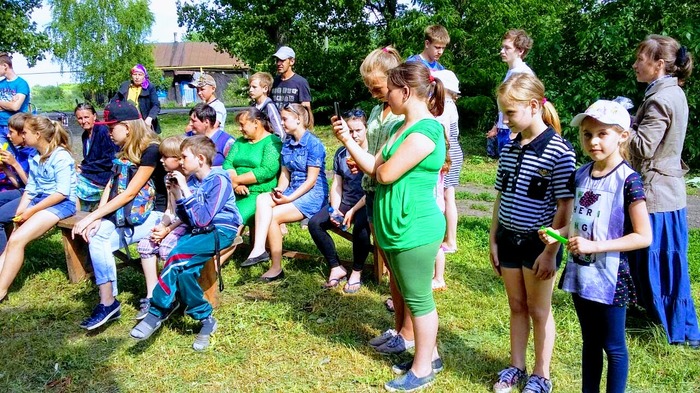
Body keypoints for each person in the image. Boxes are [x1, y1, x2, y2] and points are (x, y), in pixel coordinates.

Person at [338, 61, 446, 392]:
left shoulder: (427, 131)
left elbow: (384, 174)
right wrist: (347, 140)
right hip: (398, 227)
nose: (386, 95)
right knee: (413, 297)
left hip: (415, 227)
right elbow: (372, 164)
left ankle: (423, 368)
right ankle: (432, 357)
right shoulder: (402, 127)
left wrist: (358, 151)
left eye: (390, 89)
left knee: (419, 300)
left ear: (405, 91)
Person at [539, 100, 652, 393]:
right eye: (587, 134)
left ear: (622, 136)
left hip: (612, 278)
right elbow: (580, 222)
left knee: (612, 346)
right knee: (589, 342)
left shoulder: (630, 181)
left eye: (602, 134)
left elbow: (643, 236)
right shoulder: (580, 174)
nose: (594, 141)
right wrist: (559, 233)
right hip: (581, 274)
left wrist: (594, 247)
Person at [490, 73, 575, 393]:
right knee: (516, 305)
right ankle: (516, 365)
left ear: (534, 106)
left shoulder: (559, 151)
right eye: (503, 113)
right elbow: (500, 197)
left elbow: (565, 206)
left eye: (510, 113)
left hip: (538, 246)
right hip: (507, 241)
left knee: (539, 310)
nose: (505, 120)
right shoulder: (510, 148)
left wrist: (551, 251)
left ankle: (541, 375)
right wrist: (493, 238)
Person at [130, 135, 241, 351]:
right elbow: (189, 218)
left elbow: (203, 218)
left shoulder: (219, 179)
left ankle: (156, 312)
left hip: (221, 230)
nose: (180, 161)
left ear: (200, 158)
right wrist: (178, 193)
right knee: (184, 272)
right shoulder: (190, 180)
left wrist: (185, 191)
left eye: (184, 157)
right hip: (199, 232)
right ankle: (206, 320)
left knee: (177, 256)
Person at [334, 47, 410, 355]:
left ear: (394, 79)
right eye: (367, 85)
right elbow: (374, 152)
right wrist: (358, 159)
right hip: (373, 190)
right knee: (390, 266)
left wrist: (355, 149)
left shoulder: (403, 115)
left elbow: (388, 164)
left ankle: (408, 332)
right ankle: (399, 327)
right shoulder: (379, 110)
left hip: (389, 193)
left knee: (401, 271)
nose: (371, 90)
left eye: (375, 85)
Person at [628, 35, 700, 348]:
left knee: (658, 262)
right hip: (669, 191)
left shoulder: (659, 99)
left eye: (640, 59)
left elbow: (644, 147)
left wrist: (619, 125)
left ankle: (673, 328)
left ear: (659, 65)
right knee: (665, 262)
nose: (635, 64)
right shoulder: (673, 92)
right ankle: (666, 323)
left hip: (657, 193)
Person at [72, 100, 167, 331]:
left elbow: (130, 193)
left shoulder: (152, 150)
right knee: (98, 235)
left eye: (111, 126)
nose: (108, 132)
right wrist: (97, 217)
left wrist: (88, 218)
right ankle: (108, 302)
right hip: (129, 217)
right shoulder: (123, 149)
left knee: (99, 234)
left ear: (127, 126)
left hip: (156, 215)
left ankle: (153, 299)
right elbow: (110, 186)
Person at [241, 103, 327, 282]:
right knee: (263, 198)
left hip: (313, 194)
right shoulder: (287, 143)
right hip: (293, 189)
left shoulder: (314, 144)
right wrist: (280, 190)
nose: (281, 122)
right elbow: (285, 174)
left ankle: (276, 267)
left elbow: (311, 181)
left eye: (285, 119)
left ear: (298, 119)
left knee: (273, 216)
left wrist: (289, 197)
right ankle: (258, 248)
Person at [0, 116, 76, 303]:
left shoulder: (60, 156)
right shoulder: (35, 157)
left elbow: (61, 193)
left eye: (24, 132)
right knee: (12, 241)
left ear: (38, 134)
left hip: (62, 204)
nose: (22, 136)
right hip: (42, 201)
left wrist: (30, 212)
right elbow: (30, 190)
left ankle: (1, 290)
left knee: (17, 239)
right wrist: (21, 211)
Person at [309, 109, 370, 294]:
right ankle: (336, 266)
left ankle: (357, 271)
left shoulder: (373, 151)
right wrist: (335, 209)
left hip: (367, 201)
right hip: (347, 200)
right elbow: (337, 183)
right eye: (350, 131)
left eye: (358, 130)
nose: (354, 135)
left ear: (366, 128)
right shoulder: (341, 153)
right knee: (315, 223)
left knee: (361, 226)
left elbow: (373, 188)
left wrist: (352, 211)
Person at [135, 135, 188, 320]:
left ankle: (172, 294)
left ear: (178, 158)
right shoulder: (168, 177)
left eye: (166, 157)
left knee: (167, 247)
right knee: (146, 244)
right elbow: (169, 209)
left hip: (188, 224)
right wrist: (161, 226)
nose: (161, 160)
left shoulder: (188, 178)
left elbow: (186, 215)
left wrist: (167, 230)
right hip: (173, 222)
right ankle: (152, 294)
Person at [222, 108, 282, 227]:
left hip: (257, 193)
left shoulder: (272, 142)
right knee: (219, 216)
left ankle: (226, 244)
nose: (240, 129)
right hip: (233, 190)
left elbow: (267, 170)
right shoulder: (240, 141)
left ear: (256, 123)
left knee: (234, 220)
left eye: (242, 125)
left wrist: (236, 181)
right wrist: (236, 185)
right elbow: (227, 163)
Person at [486, 29, 535, 159]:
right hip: (505, 129)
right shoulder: (512, 72)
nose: (502, 51)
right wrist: (497, 126)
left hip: (514, 132)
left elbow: (527, 108)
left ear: (520, 51)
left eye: (507, 48)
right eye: (502, 47)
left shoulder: (523, 74)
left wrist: (517, 132)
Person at [432, 70, 463, 254]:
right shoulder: (450, 104)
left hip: (447, 152)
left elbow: (443, 133)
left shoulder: (446, 105)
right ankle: (448, 237)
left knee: (446, 196)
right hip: (451, 150)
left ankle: (451, 240)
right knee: (447, 195)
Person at [0, 113, 37, 253]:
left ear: (23, 134)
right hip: (22, 191)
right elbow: (18, 184)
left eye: (11, 132)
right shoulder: (21, 151)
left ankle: (4, 260)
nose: (8, 136)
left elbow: (32, 186)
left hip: (34, 195)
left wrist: (15, 164)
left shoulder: (33, 152)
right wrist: (5, 167)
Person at [74, 103, 119, 212]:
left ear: (94, 116)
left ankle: (78, 216)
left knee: (72, 183)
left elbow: (110, 160)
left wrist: (85, 168)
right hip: (93, 172)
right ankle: (79, 214)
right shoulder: (85, 135)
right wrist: (82, 166)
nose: (83, 121)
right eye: (80, 118)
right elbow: (90, 158)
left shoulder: (103, 131)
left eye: (86, 117)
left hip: (105, 175)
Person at [270, 46, 314, 128]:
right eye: (277, 60)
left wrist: (305, 130)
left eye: (282, 60)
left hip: (293, 128)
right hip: (275, 127)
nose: (278, 63)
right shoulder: (273, 82)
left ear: (292, 61)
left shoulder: (301, 82)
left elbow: (306, 109)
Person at [113, 64, 161, 133]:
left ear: (144, 76)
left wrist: (149, 118)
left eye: (140, 74)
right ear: (131, 75)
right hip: (127, 122)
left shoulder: (150, 87)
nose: (137, 77)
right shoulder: (125, 85)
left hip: (145, 122)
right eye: (135, 74)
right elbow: (114, 102)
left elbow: (156, 105)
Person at [0, 53, 30, 146]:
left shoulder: (21, 84)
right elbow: (12, 105)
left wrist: (5, 105)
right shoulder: (1, 84)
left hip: (17, 127)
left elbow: (15, 107)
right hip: (1, 126)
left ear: (5, 66)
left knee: (23, 155)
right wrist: (9, 104)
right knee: (5, 156)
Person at [248, 72, 285, 139]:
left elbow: (280, 133)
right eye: (250, 87)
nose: (250, 90)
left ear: (265, 89)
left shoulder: (270, 107)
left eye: (254, 87)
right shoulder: (253, 107)